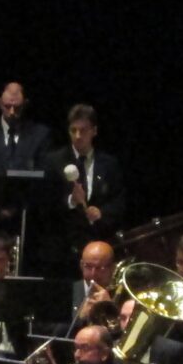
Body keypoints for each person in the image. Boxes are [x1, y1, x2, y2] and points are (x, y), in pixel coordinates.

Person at [0, 81, 54, 226]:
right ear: (0, 103)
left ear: (25, 104)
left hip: (29, 213)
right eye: (7, 107)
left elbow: (44, 175)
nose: (12, 112)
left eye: (17, 108)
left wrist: (18, 206)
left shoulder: (40, 135)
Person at [44, 103, 126, 255]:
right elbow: (45, 203)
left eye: (83, 130)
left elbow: (119, 202)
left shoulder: (109, 164)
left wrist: (101, 213)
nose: (77, 136)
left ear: (94, 131)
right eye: (73, 130)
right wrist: (71, 201)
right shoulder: (54, 161)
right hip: (63, 248)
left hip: (99, 244)